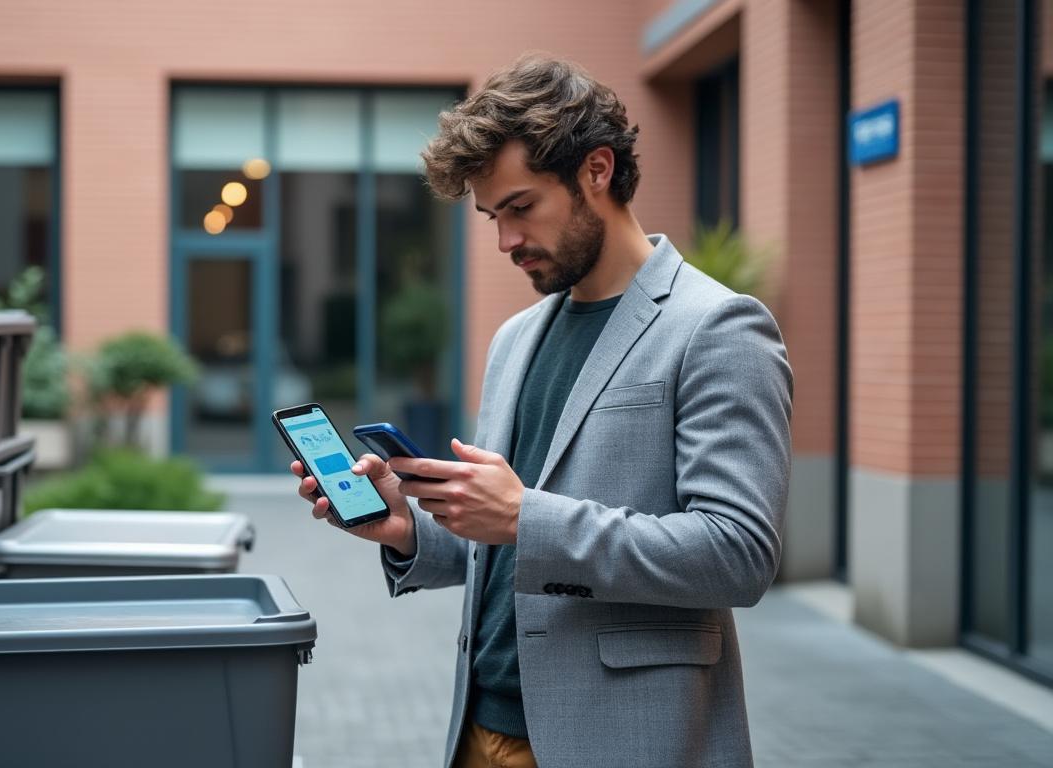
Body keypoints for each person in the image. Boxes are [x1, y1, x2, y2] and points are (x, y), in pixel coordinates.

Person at [290, 53, 792, 768]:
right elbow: (505, 542)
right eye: (493, 216)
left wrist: (527, 516)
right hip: (478, 729)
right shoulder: (516, 339)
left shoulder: (717, 327)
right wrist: (409, 530)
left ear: (597, 170)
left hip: (619, 740)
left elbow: (737, 554)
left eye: (521, 208)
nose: (506, 241)